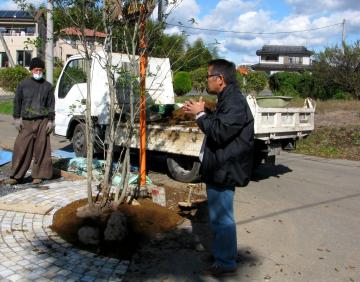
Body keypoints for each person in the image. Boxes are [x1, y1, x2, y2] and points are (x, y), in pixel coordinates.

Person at [183, 59, 254, 277]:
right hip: (221, 166)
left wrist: (200, 114)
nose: (206, 80)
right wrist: (204, 112)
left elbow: (220, 132)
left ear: (220, 80)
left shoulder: (233, 101)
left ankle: (225, 263)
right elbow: (222, 125)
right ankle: (222, 256)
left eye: (208, 76)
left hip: (225, 168)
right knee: (219, 216)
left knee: (222, 217)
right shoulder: (227, 98)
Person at [4, 57, 55, 185]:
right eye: (36, 70)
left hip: (42, 121)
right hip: (26, 121)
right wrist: (16, 118)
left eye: (40, 70)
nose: (38, 72)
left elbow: (51, 105)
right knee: (20, 148)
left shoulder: (48, 87)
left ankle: (39, 175)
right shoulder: (23, 84)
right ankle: (16, 176)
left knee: (42, 149)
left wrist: (51, 121)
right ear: (31, 70)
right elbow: (17, 101)